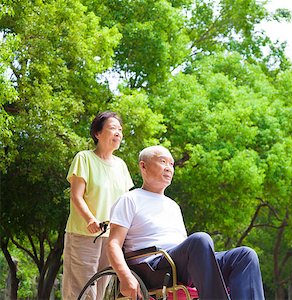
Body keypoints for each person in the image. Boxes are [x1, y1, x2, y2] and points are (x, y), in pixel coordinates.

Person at [107, 145, 265, 300]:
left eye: (171, 164)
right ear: (143, 166)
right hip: (153, 266)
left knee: (245, 255)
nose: (169, 168)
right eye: (163, 162)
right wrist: (125, 276)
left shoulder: (173, 205)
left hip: (182, 262)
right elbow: (113, 244)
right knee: (200, 239)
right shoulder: (130, 199)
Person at [62, 111, 134, 299]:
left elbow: (126, 203)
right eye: (112, 128)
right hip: (83, 234)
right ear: (97, 133)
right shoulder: (84, 158)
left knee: (100, 291)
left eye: (120, 130)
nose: (118, 133)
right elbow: (76, 196)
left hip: (112, 239)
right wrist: (90, 219)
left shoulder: (121, 166)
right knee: (82, 290)